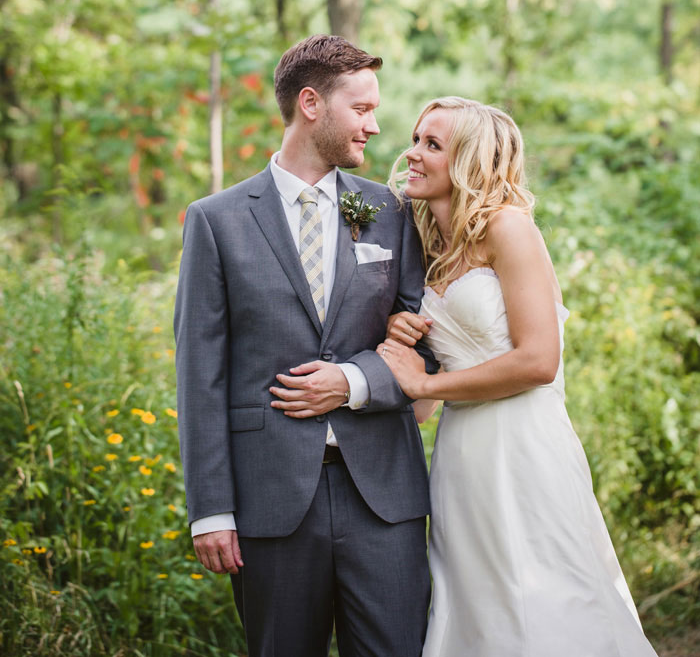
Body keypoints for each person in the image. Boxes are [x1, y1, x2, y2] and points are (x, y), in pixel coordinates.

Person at [173, 35, 434, 657]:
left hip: (384, 495)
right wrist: (211, 510)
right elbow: (199, 373)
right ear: (311, 103)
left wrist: (354, 380)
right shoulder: (217, 220)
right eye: (362, 109)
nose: (374, 125)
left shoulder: (390, 209)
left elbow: (429, 344)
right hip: (269, 500)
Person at [377, 96, 659, 657]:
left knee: (547, 597)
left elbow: (538, 362)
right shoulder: (428, 246)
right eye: (416, 138)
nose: (412, 153)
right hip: (461, 459)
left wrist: (425, 384)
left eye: (433, 144)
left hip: (525, 446)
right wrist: (405, 343)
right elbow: (422, 406)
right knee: (477, 606)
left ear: (468, 162)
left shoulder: (509, 229)